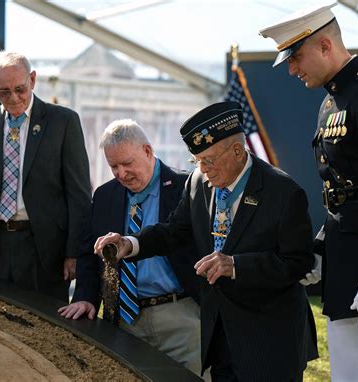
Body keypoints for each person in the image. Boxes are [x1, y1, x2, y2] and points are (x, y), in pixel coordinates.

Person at [94, 101, 318, 382]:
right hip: (219, 337)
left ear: (237, 151)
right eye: (196, 161)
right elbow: (174, 231)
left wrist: (235, 266)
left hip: (269, 339)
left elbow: (298, 263)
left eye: (209, 160)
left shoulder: (282, 191)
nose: (203, 169)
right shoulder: (199, 182)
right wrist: (130, 243)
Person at [260, 2, 358, 381]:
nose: (291, 69)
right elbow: (342, 192)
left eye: (296, 56)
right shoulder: (331, 102)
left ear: (326, 47)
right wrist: (321, 251)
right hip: (346, 269)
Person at [58, 119, 204, 377]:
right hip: (125, 322)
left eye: (127, 164)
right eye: (113, 166)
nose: (121, 174)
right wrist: (85, 296)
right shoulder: (105, 196)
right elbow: (90, 253)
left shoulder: (186, 187)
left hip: (181, 316)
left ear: (147, 151)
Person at [0, 51, 91, 302]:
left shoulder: (63, 122)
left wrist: (74, 252)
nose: (13, 98)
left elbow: (78, 194)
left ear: (33, 80)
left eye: (20, 89)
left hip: (45, 250)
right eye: (4, 91)